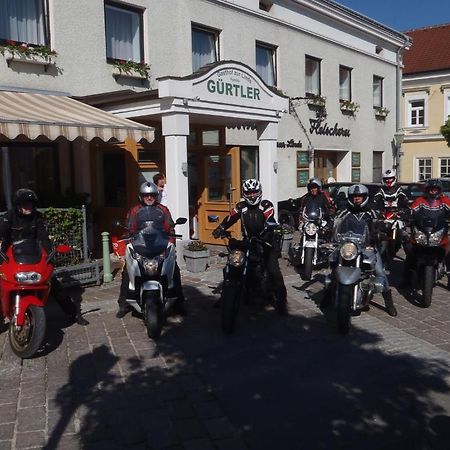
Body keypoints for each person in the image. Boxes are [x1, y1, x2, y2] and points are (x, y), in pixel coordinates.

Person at [0, 188, 88, 326]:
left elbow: (44, 237)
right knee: (2, 283)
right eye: (25, 204)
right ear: (18, 205)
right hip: (9, 257)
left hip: (30, 255)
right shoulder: (9, 217)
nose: (28, 207)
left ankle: (73, 314)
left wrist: (50, 255)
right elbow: (1, 232)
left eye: (30, 203)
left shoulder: (37, 217)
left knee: (52, 283)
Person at [212, 179, 288, 315]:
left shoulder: (266, 205)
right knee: (232, 265)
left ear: (260, 192)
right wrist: (221, 227)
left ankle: (282, 303)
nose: (252, 195)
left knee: (274, 271)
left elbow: (270, 219)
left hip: (265, 242)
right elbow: (231, 218)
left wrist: (268, 230)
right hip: (247, 242)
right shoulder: (241, 207)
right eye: (249, 192)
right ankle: (226, 296)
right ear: (244, 193)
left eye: (255, 192)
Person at [322, 184, 397, 316]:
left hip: (367, 246)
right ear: (350, 198)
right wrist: (327, 228)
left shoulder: (372, 211)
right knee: (334, 268)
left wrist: (382, 229)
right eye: (354, 197)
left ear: (365, 197)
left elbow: (380, 222)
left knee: (380, 272)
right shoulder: (344, 211)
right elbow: (335, 222)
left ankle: (389, 304)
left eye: (360, 197)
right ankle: (327, 296)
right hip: (347, 246)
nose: (357, 199)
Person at [116, 181, 186, 318]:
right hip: (141, 245)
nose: (149, 198)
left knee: (174, 271)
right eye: (146, 195)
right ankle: (123, 304)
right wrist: (128, 238)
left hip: (159, 244)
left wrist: (170, 242)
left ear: (156, 195)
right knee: (127, 272)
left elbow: (169, 227)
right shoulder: (134, 210)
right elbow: (130, 228)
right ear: (141, 196)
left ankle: (179, 304)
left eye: (152, 195)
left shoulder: (163, 210)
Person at [403, 179, 450, 288]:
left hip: (439, 230)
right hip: (422, 230)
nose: (433, 192)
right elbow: (412, 209)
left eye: (435, 190)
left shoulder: (444, 200)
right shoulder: (421, 200)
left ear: (439, 190)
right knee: (410, 251)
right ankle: (406, 278)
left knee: (448, 251)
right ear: (427, 190)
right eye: (431, 189)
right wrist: (407, 215)